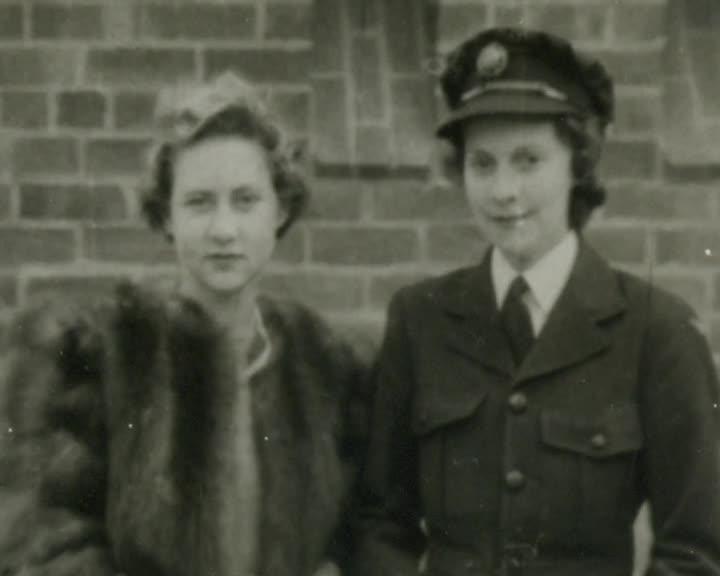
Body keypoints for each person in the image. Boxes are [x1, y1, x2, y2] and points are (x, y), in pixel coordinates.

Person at [352, 28, 720, 576]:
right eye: (483, 163)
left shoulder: (655, 331)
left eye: (528, 161)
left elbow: (697, 550)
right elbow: (379, 523)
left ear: (578, 165)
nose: (504, 191)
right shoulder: (420, 319)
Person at [0, 72, 367, 576]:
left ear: (279, 210)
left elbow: (365, 529)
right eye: (199, 202)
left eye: (245, 200)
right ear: (166, 216)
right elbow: (46, 544)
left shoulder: (324, 364)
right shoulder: (102, 355)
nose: (224, 229)